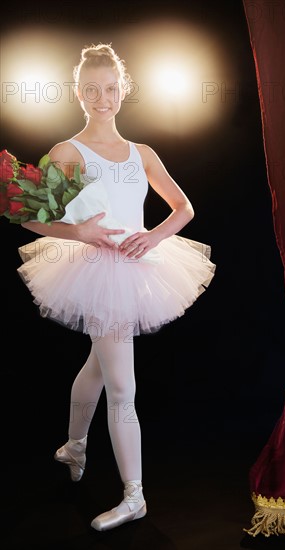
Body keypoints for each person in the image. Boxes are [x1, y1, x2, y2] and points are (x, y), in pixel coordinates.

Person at [18, 43, 215, 531]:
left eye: (110, 89)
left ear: (122, 91)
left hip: (136, 269)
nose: (102, 98)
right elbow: (28, 217)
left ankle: (74, 446)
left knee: (101, 369)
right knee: (122, 384)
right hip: (96, 270)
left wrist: (152, 237)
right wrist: (79, 231)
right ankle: (135, 496)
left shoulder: (142, 153)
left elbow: (184, 209)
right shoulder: (68, 152)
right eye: (92, 90)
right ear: (78, 94)